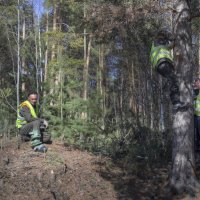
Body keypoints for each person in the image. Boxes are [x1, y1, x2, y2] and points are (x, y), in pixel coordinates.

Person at [150, 28, 187, 111]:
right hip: (162, 63)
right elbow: (169, 45)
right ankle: (176, 103)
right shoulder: (158, 41)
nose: (164, 37)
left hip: (162, 64)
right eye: (164, 36)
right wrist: (176, 39)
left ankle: (167, 87)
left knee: (172, 79)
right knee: (173, 80)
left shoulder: (159, 42)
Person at [193, 78, 200, 150]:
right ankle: (197, 148)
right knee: (196, 133)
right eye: (195, 83)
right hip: (195, 116)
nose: (196, 84)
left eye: (198, 83)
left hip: (199, 116)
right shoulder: (195, 92)